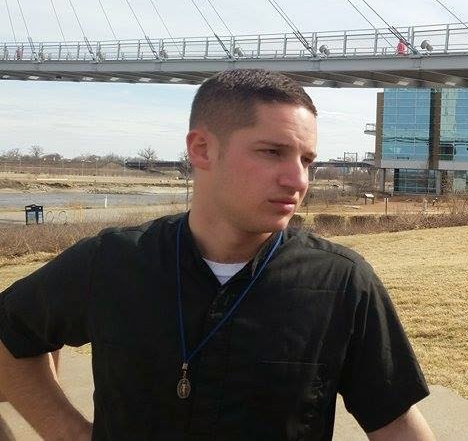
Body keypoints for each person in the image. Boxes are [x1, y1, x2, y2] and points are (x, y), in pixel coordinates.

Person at [0, 69, 435, 440]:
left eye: (306, 160)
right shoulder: (112, 260)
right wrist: (70, 433)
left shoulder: (340, 281)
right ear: (202, 149)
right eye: (273, 152)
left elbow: (396, 424)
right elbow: (10, 334)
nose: (298, 179)